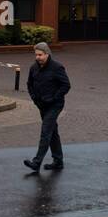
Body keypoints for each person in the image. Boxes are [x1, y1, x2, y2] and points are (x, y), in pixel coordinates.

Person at [24, 42, 69, 172]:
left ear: (47, 54)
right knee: (52, 132)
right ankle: (58, 161)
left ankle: (36, 162)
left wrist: (54, 98)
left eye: (40, 55)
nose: (37, 57)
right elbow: (29, 84)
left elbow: (66, 85)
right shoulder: (34, 68)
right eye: (36, 55)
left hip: (55, 105)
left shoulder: (57, 67)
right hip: (41, 105)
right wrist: (34, 98)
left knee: (46, 132)